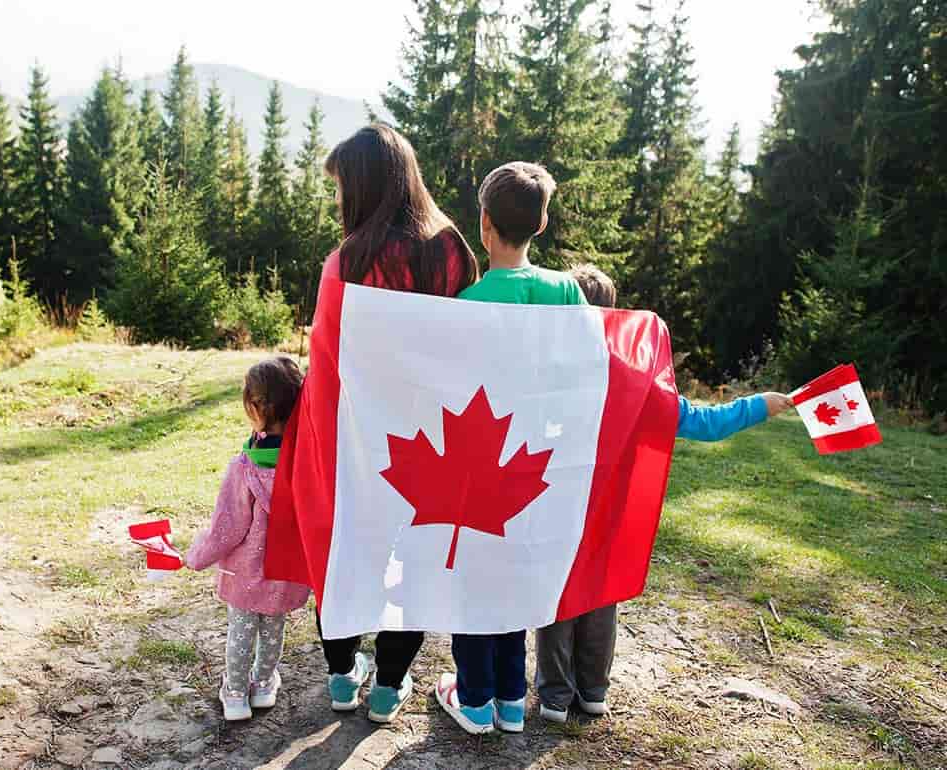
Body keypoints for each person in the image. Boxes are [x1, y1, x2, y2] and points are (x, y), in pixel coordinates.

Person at [532, 262, 794, 725]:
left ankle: (555, 696)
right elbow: (705, 423)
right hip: (613, 511)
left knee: (560, 592)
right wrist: (758, 405)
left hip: (560, 503)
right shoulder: (639, 381)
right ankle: (593, 691)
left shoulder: (550, 374)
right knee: (601, 593)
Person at [307, 124, 480, 724]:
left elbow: (327, 361)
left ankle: (340, 677)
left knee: (347, 550)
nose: (337, 200)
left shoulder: (346, 261)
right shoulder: (451, 249)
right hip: (431, 438)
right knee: (420, 558)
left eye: (339, 187)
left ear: (362, 186)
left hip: (359, 438)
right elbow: (471, 346)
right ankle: (387, 685)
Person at [433, 161, 588, 735]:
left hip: (476, 468)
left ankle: (474, 701)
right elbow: (587, 374)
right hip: (539, 467)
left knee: (475, 582)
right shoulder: (565, 291)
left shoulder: (466, 303)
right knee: (518, 576)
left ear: (484, 223)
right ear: (541, 224)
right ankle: (511, 699)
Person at [184, 357, 313, 721]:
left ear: (256, 408)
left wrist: (196, 555)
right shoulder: (307, 462)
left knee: (241, 631)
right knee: (273, 629)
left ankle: (237, 694)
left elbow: (227, 529)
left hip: (245, 573)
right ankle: (264, 684)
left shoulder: (243, 468)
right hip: (284, 572)